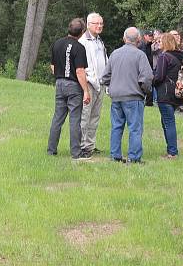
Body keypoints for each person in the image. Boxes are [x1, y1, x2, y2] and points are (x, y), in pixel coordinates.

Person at [100, 27, 153, 164]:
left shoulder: (115, 54)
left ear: (124, 39)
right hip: (133, 96)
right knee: (135, 128)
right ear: (139, 40)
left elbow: (105, 77)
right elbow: (146, 77)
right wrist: (145, 91)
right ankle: (134, 158)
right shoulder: (140, 55)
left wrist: (112, 86)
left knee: (116, 126)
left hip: (116, 96)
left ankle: (115, 155)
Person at [47, 18, 91, 160]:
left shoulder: (57, 44)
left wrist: (61, 76)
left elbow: (53, 66)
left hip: (59, 83)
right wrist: (86, 90)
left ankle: (51, 150)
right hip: (73, 86)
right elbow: (79, 71)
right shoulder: (79, 48)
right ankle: (76, 153)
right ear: (82, 32)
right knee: (74, 120)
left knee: (57, 118)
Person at [80, 13, 108, 157]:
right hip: (89, 84)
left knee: (95, 116)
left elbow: (104, 61)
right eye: (96, 23)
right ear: (88, 24)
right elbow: (82, 66)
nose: (99, 26)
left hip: (101, 84)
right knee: (85, 116)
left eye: (101, 24)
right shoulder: (83, 41)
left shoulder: (99, 41)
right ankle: (82, 146)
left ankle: (90, 145)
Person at [153, 33, 182, 158]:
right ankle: (171, 149)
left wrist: (151, 81)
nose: (158, 43)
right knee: (167, 121)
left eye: (160, 41)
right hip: (175, 92)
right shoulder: (179, 56)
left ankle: (172, 151)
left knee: (168, 122)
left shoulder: (164, 57)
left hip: (165, 92)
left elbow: (159, 76)